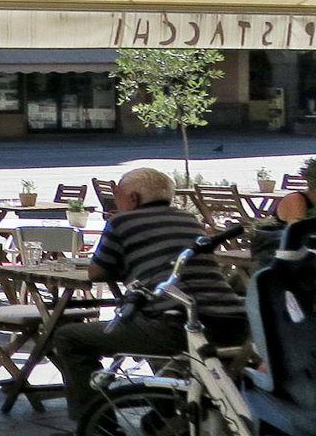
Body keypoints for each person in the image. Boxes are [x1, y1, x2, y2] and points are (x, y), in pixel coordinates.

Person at [48, 166, 246, 427]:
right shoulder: (190, 220)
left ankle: (96, 427)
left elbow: (97, 272)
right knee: (162, 343)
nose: (114, 203)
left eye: (116, 196)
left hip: (176, 324)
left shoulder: (121, 222)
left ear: (133, 198)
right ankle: (164, 419)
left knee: (69, 337)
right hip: (232, 323)